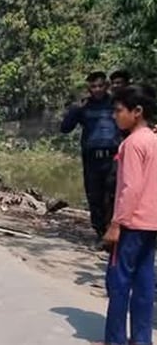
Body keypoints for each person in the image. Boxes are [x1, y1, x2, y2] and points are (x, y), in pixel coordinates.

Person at [102, 84, 157, 345]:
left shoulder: (132, 144)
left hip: (132, 222)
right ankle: (142, 339)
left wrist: (116, 223)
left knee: (119, 282)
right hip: (152, 222)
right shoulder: (154, 140)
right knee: (145, 283)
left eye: (119, 111)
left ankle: (115, 340)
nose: (115, 116)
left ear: (137, 111)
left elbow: (130, 188)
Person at [61, 71, 121, 247]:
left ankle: (112, 233)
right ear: (88, 88)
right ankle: (100, 233)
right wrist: (75, 110)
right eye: (93, 86)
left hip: (113, 158)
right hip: (92, 160)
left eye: (100, 85)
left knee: (112, 197)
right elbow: (65, 128)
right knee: (94, 196)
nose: (97, 89)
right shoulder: (83, 107)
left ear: (106, 86)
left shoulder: (116, 105)